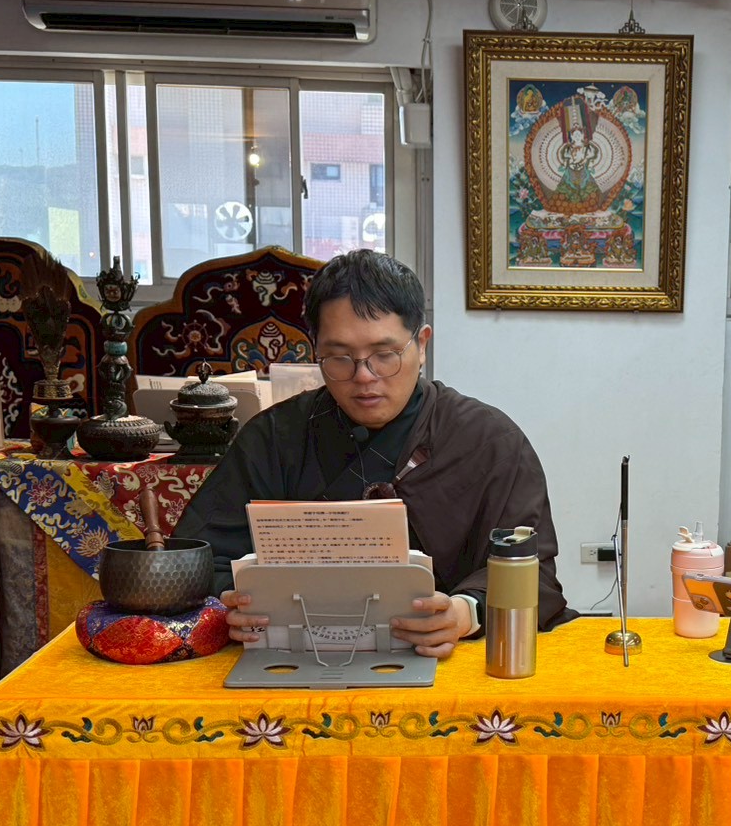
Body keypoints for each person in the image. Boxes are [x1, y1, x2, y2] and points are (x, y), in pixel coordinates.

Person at [174, 249, 573, 657]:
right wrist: (230, 601)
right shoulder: (275, 437)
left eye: (385, 355)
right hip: (296, 656)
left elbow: (535, 575)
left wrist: (464, 612)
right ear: (316, 351)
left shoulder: (488, 441)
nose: (364, 377)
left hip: (448, 660)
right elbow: (194, 561)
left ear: (422, 343)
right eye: (339, 357)